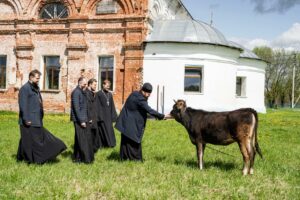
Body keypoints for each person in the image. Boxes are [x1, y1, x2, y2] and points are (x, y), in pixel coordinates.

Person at [17, 69, 66, 164]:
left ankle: (21, 157)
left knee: (27, 140)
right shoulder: (25, 89)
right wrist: (26, 119)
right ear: (31, 77)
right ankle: (34, 160)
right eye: (37, 78)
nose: (38, 80)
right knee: (33, 141)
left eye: (39, 78)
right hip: (29, 120)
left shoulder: (36, 87)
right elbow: (23, 105)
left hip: (37, 119)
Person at [115, 82, 167, 161]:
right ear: (143, 91)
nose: (148, 95)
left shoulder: (134, 93)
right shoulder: (141, 99)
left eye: (149, 94)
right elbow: (149, 110)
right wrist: (162, 116)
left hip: (125, 121)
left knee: (126, 141)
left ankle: (124, 158)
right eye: (147, 93)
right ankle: (135, 160)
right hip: (131, 123)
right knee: (134, 141)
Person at [71, 77, 94, 163]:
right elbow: (76, 108)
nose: (85, 86)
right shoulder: (76, 92)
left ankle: (77, 157)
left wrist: (88, 118)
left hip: (84, 118)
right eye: (84, 84)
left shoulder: (82, 91)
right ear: (80, 83)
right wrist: (81, 121)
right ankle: (84, 158)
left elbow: (85, 106)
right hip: (79, 120)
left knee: (79, 139)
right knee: (82, 139)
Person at [96, 80, 117, 148]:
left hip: (108, 115)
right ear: (103, 85)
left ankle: (111, 143)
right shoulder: (98, 94)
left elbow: (112, 105)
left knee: (109, 129)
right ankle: (105, 144)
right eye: (107, 86)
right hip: (102, 115)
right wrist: (99, 116)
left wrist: (113, 116)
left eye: (109, 87)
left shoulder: (110, 94)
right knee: (103, 130)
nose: (108, 88)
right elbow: (97, 106)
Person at [86, 78, 101, 152]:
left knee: (94, 133)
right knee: (90, 134)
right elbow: (88, 107)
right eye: (94, 85)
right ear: (90, 84)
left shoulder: (92, 93)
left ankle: (93, 148)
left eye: (96, 85)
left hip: (94, 117)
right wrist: (89, 118)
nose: (95, 86)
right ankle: (90, 149)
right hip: (90, 118)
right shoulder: (87, 93)